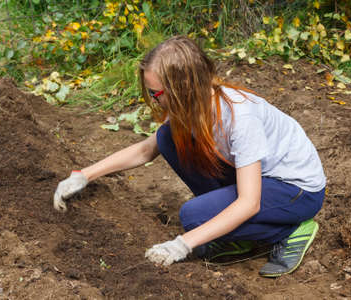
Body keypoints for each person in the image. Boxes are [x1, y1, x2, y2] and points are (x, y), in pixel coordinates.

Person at [53, 36, 326, 277]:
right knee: (167, 138)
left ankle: (290, 231)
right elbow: (146, 150)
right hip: (259, 179)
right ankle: (236, 232)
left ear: (182, 89)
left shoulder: (240, 118)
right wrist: (84, 175)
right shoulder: (193, 107)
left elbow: (249, 202)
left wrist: (182, 243)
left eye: (154, 93)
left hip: (296, 190)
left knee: (194, 218)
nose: (153, 100)